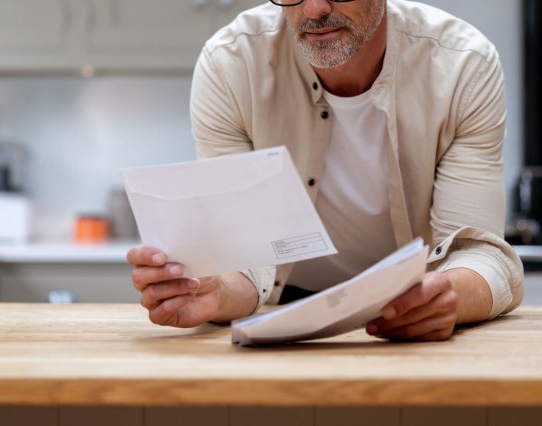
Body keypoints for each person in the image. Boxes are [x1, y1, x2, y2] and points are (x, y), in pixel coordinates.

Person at [126, 0, 524, 341]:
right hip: (280, 309)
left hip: (409, 312)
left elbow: (479, 255)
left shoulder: (463, 66)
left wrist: (448, 294)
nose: (314, 9)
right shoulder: (233, 63)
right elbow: (244, 258)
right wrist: (212, 291)